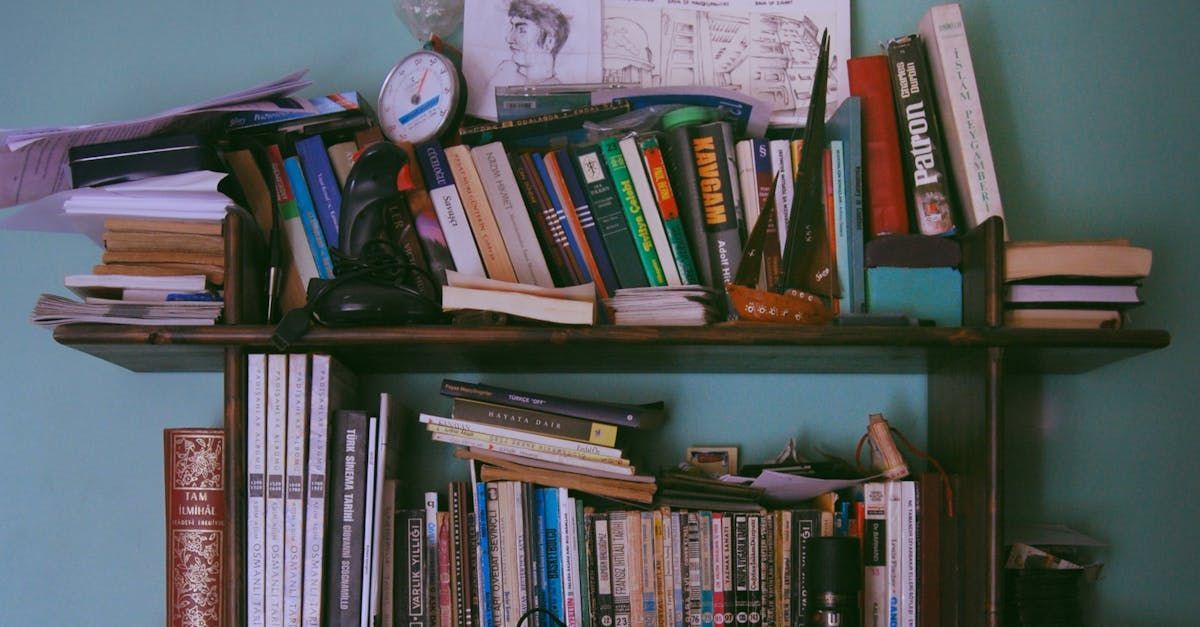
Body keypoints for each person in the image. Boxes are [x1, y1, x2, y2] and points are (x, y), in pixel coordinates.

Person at [486, 0, 571, 91]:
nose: (509, 38)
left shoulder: (559, 93)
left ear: (549, 42)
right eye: (512, 28)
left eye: (522, 30)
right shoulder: (504, 74)